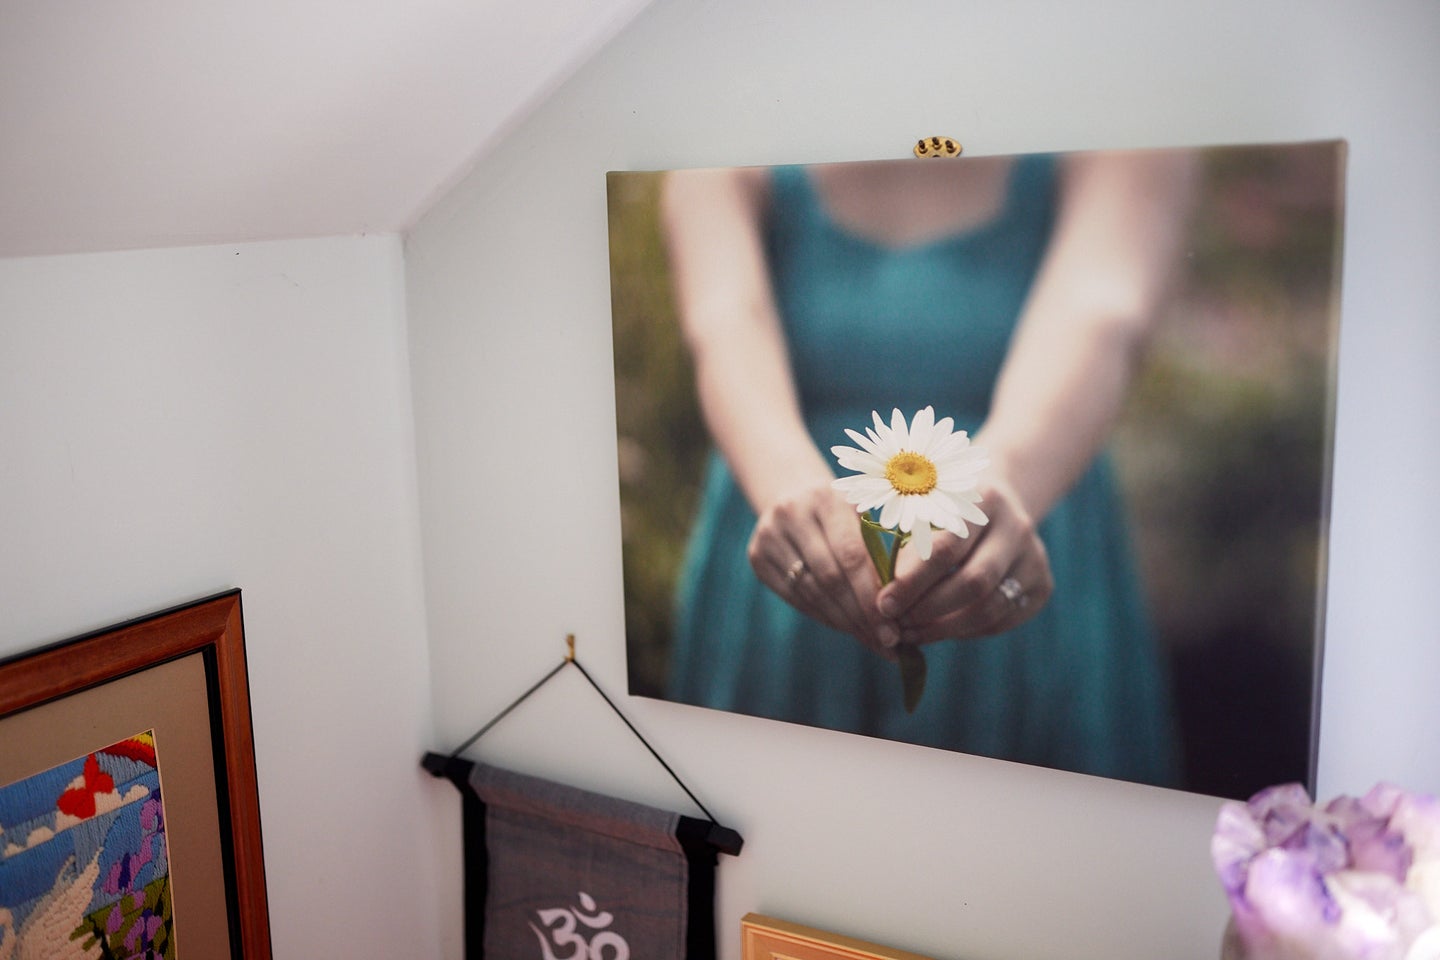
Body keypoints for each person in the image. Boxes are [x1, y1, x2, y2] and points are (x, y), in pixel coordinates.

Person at [659, 148, 1193, 785]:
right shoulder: (724, 139)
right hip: (786, 574)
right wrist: (792, 495)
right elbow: (724, 322)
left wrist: (995, 489)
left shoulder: (1114, 124)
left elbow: (1103, 309)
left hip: (1018, 549)